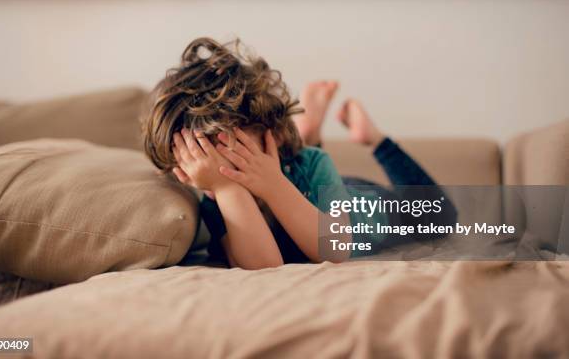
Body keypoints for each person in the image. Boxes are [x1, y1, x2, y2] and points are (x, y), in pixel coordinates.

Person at [143, 37, 455, 270]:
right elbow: (266, 268)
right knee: (303, 174)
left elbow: (335, 249)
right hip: (310, 185)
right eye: (195, 155)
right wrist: (226, 188)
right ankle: (307, 133)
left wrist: (272, 183)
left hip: (363, 207)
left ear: (272, 134)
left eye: (224, 145)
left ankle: (372, 138)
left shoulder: (312, 164)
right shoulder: (215, 197)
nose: (215, 164)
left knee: (442, 215)